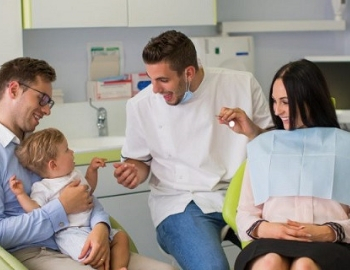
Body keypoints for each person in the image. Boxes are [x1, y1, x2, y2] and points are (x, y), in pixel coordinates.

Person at [113, 30, 273, 270]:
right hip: (181, 202)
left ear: (189, 72)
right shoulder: (141, 105)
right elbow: (139, 162)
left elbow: (276, 147)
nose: (155, 89)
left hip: (243, 197)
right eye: (151, 78)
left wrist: (251, 130)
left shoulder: (242, 84)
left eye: (163, 80)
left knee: (277, 260)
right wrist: (133, 171)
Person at [0, 57, 176, 270]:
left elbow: (81, 193)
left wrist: (100, 226)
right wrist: (61, 208)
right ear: (14, 89)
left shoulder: (38, 143)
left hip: (81, 237)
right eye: (41, 99)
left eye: (49, 102)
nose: (47, 111)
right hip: (32, 252)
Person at [234, 59, 350, 270]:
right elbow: (244, 213)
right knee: (270, 263)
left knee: (304, 266)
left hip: (330, 242)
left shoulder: (345, 147)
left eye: (285, 102)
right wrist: (270, 230)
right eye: (274, 101)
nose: (277, 110)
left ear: (311, 100)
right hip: (270, 240)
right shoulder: (264, 148)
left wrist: (328, 231)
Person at [9, 127, 129, 270]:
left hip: (90, 226)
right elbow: (35, 209)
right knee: (93, 256)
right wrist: (21, 195)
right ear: (53, 164)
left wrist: (92, 170)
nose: (72, 152)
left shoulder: (74, 174)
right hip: (70, 233)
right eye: (66, 150)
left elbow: (88, 189)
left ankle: (119, 268)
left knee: (121, 237)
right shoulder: (43, 187)